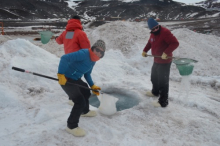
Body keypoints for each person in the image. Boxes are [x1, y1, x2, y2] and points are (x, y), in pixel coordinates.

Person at [57, 40, 106, 137]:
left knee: (86, 92)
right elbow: (64, 58)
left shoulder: (93, 61)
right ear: (93, 48)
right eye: (97, 50)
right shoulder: (84, 54)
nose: (99, 53)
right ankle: (71, 126)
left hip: (75, 78)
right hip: (66, 79)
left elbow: (87, 74)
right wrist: (60, 74)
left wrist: (92, 86)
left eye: (101, 52)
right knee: (79, 101)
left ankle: (84, 111)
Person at [142, 18, 179, 108]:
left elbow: (175, 43)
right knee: (154, 77)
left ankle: (163, 102)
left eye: (157, 27)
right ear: (151, 30)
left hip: (165, 61)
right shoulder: (153, 34)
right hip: (156, 60)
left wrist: (166, 52)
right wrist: (145, 50)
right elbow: (150, 43)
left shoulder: (165, 32)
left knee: (163, 82)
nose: (155, 30)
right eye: (153, 29)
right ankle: (155, 92)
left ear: (158, 25)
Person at [55, 15, 91, 105]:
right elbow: (86, 48)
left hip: (68, 60)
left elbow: (59, 41)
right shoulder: (80, 33)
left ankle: (72, 98)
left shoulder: (66, 32)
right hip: (78, 60)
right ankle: (76, 99)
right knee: (75, 79)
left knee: (71, 78)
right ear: (79, 22)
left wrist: (56, 38)